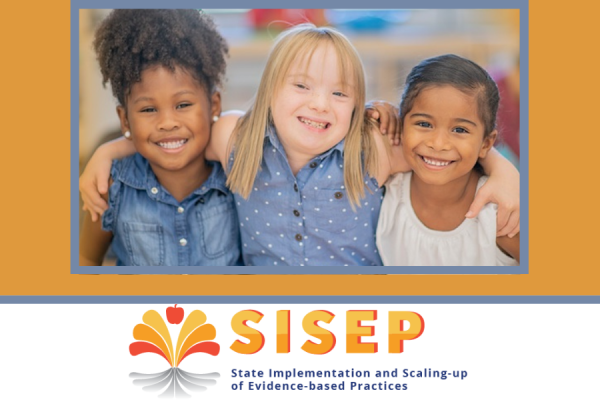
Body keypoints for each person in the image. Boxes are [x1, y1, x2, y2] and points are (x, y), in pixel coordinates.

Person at [81, 24, 520, 267]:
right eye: (302, 85)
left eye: (339, 93)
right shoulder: (234, 138)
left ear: (357, 105)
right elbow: (175, 135)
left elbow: (442, 149)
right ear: (271, 89)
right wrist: (107, 152)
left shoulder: (372, 148)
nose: (319, 104)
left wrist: (505, 171)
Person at [79, 9, 242, 266]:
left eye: (183, 105)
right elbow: (85, 259)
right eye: (148, 109)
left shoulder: (237, 181)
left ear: (214, 106)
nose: (167, 123)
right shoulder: (111, 189)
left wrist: (107, 150)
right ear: (125, 120)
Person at [376, 54, 519, 266]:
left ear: (486, 144)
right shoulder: (385, 191)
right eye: (424, 124)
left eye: (459, 129)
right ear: (401, 124)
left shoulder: (501, 215)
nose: (438, 143)